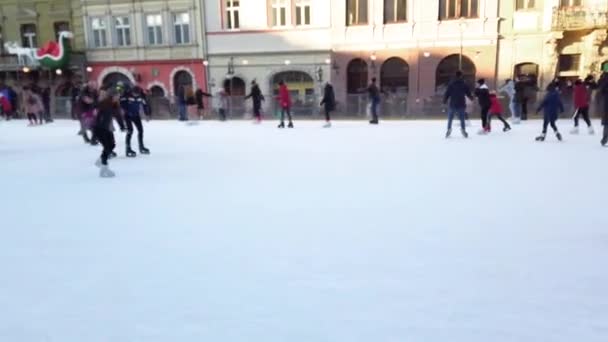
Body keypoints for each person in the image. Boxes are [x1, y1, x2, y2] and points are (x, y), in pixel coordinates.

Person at [94, 87, 125, 178]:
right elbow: (96, 113)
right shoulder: (104, 104)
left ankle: (101, 161)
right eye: (117, 95)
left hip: (106, 128)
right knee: (107, 146)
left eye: (119, 95)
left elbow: (118, 116)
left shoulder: (114, 104)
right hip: (99, 128)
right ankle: (104, 169)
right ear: (112, 96)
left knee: (112, 145)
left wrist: (122, 126)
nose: (118, 97)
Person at [120, 85, 151, 157]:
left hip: (136, 115)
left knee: (141, 130)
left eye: (137, 94)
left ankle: (141, 146)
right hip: (127, 115)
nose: (136, 95)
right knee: (130, 131)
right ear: (132, 92)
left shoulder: (141, 96)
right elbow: (122, 105)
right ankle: (128, 149)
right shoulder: (126, 95)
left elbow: (145, 105)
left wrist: (147, 114)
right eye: (134, 94)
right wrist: (126, 112)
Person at [443, 70, 473, 138]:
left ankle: (449, 129)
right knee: (462, 118)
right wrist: (471, 97)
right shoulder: (464, 84)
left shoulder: (451, 84)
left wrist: (445, 100)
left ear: (455, 76)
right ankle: (463, 129)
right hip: (461, 103)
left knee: (450, 118)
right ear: (461, 76)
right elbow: (468, 92)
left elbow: (447, 93)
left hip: (453, 103)